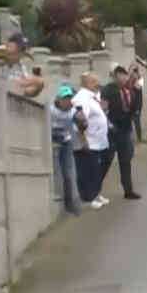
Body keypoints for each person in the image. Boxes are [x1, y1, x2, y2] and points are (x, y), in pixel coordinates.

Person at [99, 64, 142, 201]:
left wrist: (138, 91)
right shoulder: (108, 90)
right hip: (112, 130)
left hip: (125, 129)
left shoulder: (129, 90)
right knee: (106, 161)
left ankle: (128, 190)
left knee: (126, 160)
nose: (125, 78)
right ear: (116, 76)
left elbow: (135, 108)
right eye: (122, 75)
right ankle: (94, 189)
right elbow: (103, 109)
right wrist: (108, 124)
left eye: (126, 76)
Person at [72, 72, 111, 209]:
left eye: (97, 81)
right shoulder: (82, 98)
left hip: (99, 141)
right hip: (90, 142)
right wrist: (83, 140)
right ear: (85, 83)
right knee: (88, 171)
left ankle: (96, 193)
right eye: (93, 81)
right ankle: (89, 197)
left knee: (97, 170)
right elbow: (79, 120)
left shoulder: (93, 96)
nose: (97, 84)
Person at [50, 85, 87, 216]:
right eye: (65, 99)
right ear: (59, 99)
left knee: (69, 174)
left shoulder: (72, 111)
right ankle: (58, 199)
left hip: (66, 142)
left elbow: (82, 125)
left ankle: (70, 204)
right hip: (53, 142)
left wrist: (82, 121)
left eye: (69, 98)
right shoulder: (51, 109)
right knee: (56, 173)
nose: (67, 101)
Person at [2, 32, 45, 98]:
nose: (22, 51)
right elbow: (9, 85)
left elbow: (26, 91)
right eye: (20, 48)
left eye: (23, 48)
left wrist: (38, 87)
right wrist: (34, 81)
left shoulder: (21, 65)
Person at [128, 66, 145, 143]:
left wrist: (138, 108)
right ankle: (130, 138)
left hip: (137, 105)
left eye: (134, 72)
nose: (132, 74)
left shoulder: (140, 80)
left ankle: (139, 138)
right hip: (130, 105)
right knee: (129, 122)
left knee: (137, 122)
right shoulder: (130, 80)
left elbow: (137, 88)